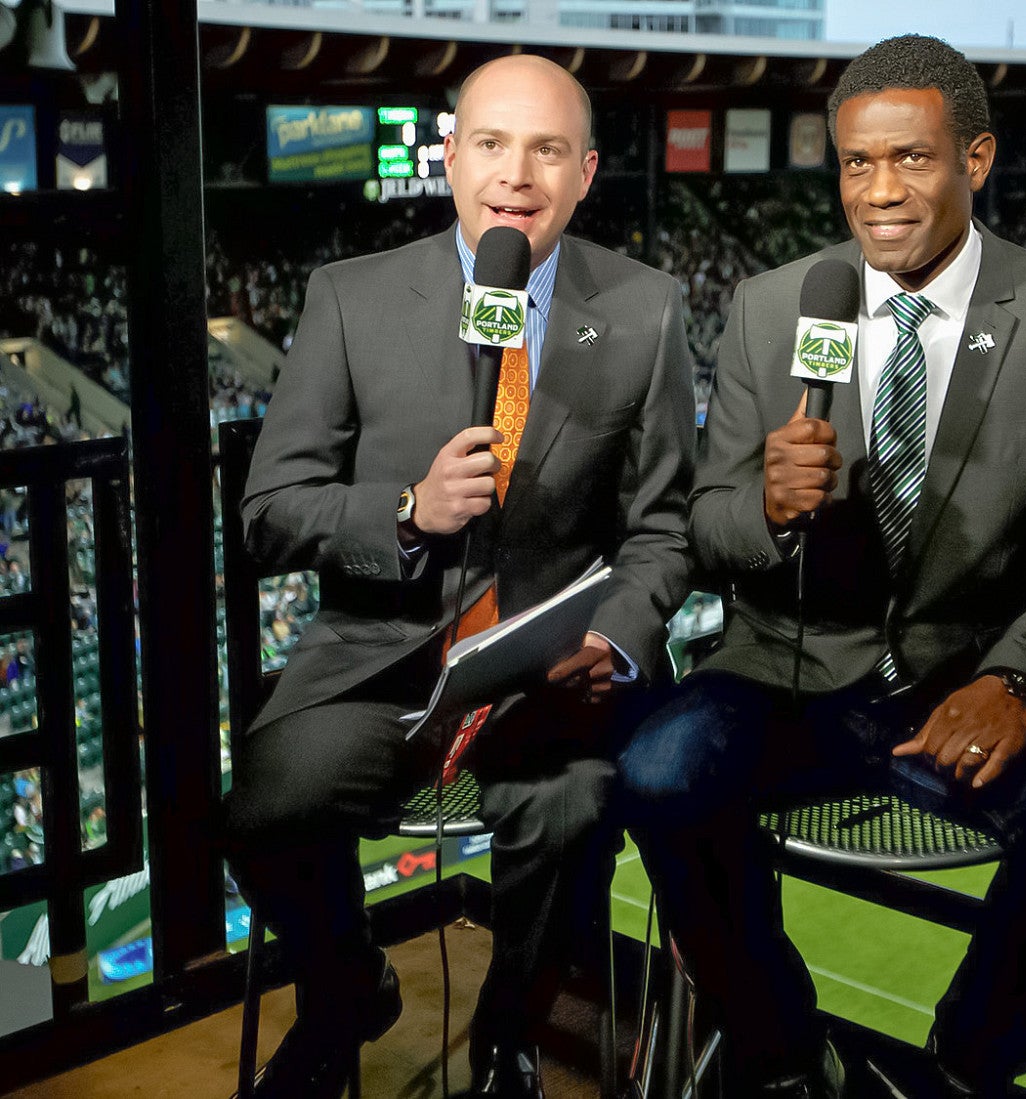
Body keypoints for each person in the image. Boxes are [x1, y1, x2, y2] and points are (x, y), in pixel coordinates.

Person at [620, 34, 1026, 1098]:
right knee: (658, 772)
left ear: (977, 161)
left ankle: (961, 1067)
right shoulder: (774, 307)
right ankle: (781, 1051)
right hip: (786, 674)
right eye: (858, 163)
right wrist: (767, 505)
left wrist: (1018, 679)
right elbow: (707, 527)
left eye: (911, 158)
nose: (880, 192)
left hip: (971, 683)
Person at [225, 54, 695, 1099]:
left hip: (546, 669)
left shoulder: (648, 309)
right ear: (450, 156)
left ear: (586, 172)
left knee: (575, 806)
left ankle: (510, 1030)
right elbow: (267, 514)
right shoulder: (349, 299)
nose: (515, 173)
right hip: (380, 661)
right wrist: (407, 510)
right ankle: (348, 992)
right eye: (490, 142)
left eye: (546, 149)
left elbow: (663, 526)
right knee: (263, 810)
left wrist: (612, 639)